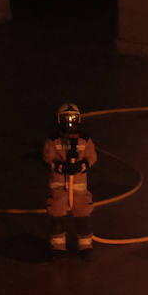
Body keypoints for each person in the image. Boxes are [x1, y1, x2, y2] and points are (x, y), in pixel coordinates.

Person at [43, 102, 97, 258]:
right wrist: (60, 167)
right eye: (66, 119)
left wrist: (82, 165)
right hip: (59, 187)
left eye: (73, 118)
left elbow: (92, 156)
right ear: (59, 120)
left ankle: (85, 247)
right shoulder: (54, 140)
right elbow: (48, 157)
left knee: (83, 216)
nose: (70, 122)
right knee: (57, 216)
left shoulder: (84, 139)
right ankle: (58, 247)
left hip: (79, 188)